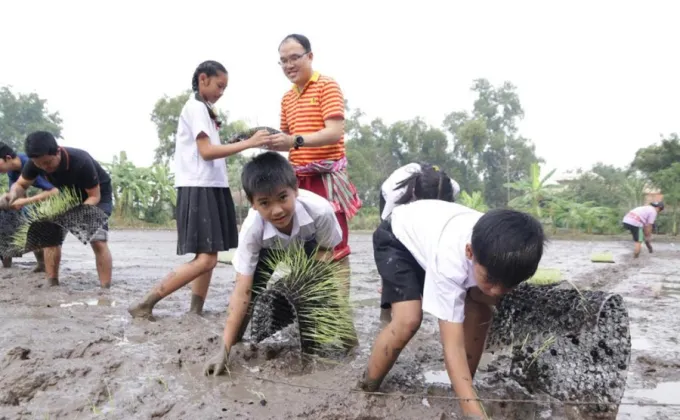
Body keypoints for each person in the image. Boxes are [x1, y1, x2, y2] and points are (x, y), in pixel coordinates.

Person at [358, 200, 545, 418]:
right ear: (469, 252)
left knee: (481, 309)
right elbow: (452, 346)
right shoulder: (450, 262)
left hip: (434, 237)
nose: (496, 291)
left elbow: (490, 290)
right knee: (408, 319)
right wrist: (474, 414)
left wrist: (467, 396)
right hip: (397, 239)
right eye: (491, 280)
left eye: (508, 285)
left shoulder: (510, 254)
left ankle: (466, 386)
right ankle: (367, 386)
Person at [128, 60, 270, 319]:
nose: (221, 92)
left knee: (210, 255)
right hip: (199, 186)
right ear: (203, 79)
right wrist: (249, 143)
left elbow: (209, 148)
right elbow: (206, 152)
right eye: (219, 85)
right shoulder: (195, 107)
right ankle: (146, 303)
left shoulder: (205, 109)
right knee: (206, 259)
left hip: (211, 186)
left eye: (225, 88)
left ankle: (195, 311)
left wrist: (234, 142)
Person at [203, 151, 352, 376]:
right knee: (251, 295)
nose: (277, 210)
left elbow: (327, 252)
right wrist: (223, 350)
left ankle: (332, 345)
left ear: (296, 190)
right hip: (268, 250)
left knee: (320, 292)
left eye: (283, 198)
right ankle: (234, 342)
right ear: (253, 204)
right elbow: (242, 290)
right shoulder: (252, 231)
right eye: (264, 202)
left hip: (309, 245)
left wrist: (307, 284)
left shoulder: (320, 211)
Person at [267, 33, 361, 263]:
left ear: (310, 56)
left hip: (325, 178)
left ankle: (338, 299)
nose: (289, 65)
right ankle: (308, 297)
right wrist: (264, 141)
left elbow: (334, 132)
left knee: (335, 246)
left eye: (294, 58)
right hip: (297, 180)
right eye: (283, 60)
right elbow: (287, 139)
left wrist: (294, 141)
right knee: (302, 246)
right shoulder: (287, 98)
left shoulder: (326, 86)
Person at [2, 132, 114, 288]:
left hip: (97, 196)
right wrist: (12, 195)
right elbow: (21, 185)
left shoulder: (81, 161)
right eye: (40, 164)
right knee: (48, 231)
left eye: (48, 162)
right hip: (67, 195)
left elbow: (94, 196)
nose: (45, 168)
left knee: (98, 239)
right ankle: (51, 281)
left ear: (58, 151)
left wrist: (74, 218)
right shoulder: (35, 164)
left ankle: (105, 287)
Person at [377, 162, 460, 323]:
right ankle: (385, 314)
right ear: (416, 194)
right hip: (392, 206)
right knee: (396, 260)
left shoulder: (452, 188)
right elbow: (385, 238)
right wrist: (387, 277)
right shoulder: (396, 193)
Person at [0, 141, 58, 271]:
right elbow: (16, 195)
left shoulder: (31, 165)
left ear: (7, 158)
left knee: (30, 219)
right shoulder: (12, 170)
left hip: (61, 197)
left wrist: (25, 203)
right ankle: (7, 260)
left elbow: (54, 191)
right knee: (6, 214)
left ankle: (43, 264)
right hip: (41, 200)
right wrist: (9, 202)